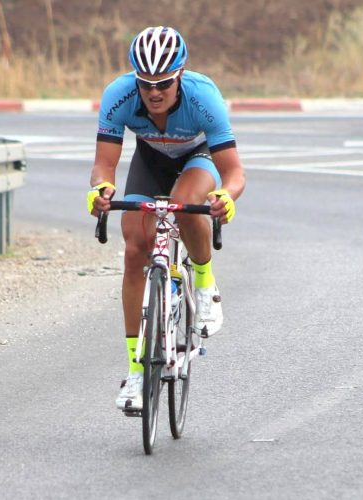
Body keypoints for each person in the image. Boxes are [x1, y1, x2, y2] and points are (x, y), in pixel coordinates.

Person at [87, 26, 246, 411]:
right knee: (134, 251)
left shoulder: (203, 97)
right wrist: (100, 190)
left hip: (198, 158)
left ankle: (205, 284)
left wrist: (225, 197)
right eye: (145, 84)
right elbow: (104, 165)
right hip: (150, 161)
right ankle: (136, 372)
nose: (154, 92)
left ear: (180, 75)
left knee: (184, 203)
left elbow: (234, 173)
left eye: (163, 83)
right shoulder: (119, 95)